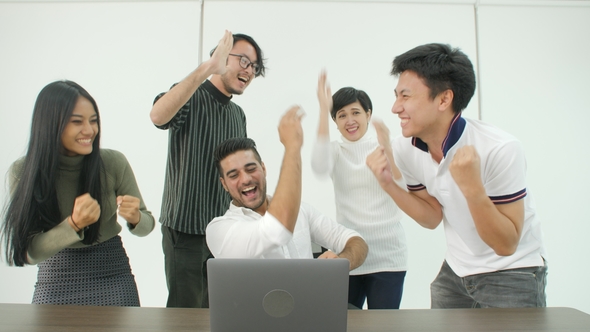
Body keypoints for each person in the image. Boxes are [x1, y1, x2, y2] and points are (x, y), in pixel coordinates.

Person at [366, 43, 547, 308]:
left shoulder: (499, 149)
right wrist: (388, 184)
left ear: (443, 99)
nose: (395, 107)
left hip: (513, 271)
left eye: (406, 96)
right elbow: (431, 216)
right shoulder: (406, 147)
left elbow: (506, 244)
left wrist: (472, 188)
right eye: (396, 96)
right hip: (456, 271)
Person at [2, 80, 155, 306]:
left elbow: (147, 225)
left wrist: (136, 218)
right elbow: (28, 252)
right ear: (50, 124)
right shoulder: (22, 172)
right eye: (77, 122)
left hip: (112, 276)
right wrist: (73, 225)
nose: (89, 130)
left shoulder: (113, 162)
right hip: (54, 281)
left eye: (93, 121)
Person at [149, 30, 266, 308]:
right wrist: (207, 68)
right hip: (186, 231)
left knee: (220, 313)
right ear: (222, 56)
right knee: (185, 317)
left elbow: (241, 177)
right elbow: (157, 116)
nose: (249, 71)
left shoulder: (237, 115)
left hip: (226, 232)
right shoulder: (191, 94)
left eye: (255, 67)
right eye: (244, 61)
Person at [206, 106, 368, 272]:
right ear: (224, 184)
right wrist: (292, 148)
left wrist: (341, 261)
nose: (246, 179)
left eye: (251, 168)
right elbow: (276, 230)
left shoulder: (301, 210)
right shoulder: (219, 230)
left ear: (263, 168)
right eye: (233, 175)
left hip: (310, 298)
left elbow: (355, 240)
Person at [311, 72, 408, 309]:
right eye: (341, 115)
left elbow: (405, 186)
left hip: (388, 257)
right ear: (335, 122)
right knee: (341, 323)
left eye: (355, 112)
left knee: (383, 327)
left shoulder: (387, 145)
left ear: (368, 114)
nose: (349, 120)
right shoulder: (335, 151)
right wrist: (324, 111)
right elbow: (319, 166)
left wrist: (388, 148)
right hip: (350, 254)